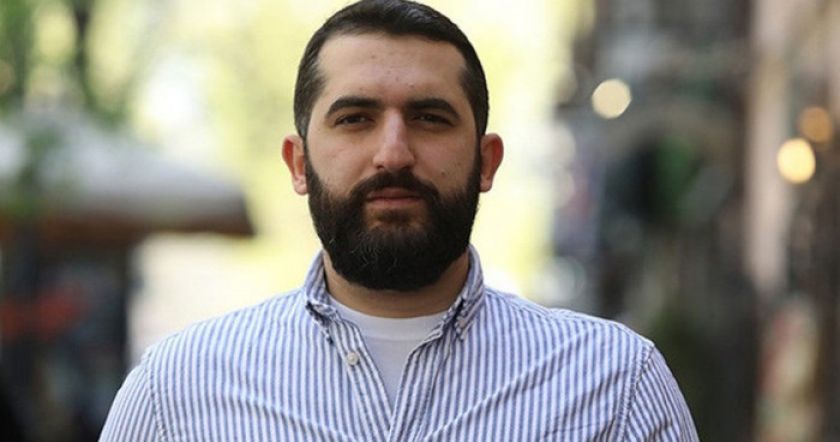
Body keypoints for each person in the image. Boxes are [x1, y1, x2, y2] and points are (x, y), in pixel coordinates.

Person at [100, 0, 699, 440]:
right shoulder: (177, 393)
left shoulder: (616, 387)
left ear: (487, 162)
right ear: (299, 163)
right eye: (355, 119)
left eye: (430, 118)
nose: (393, 153)